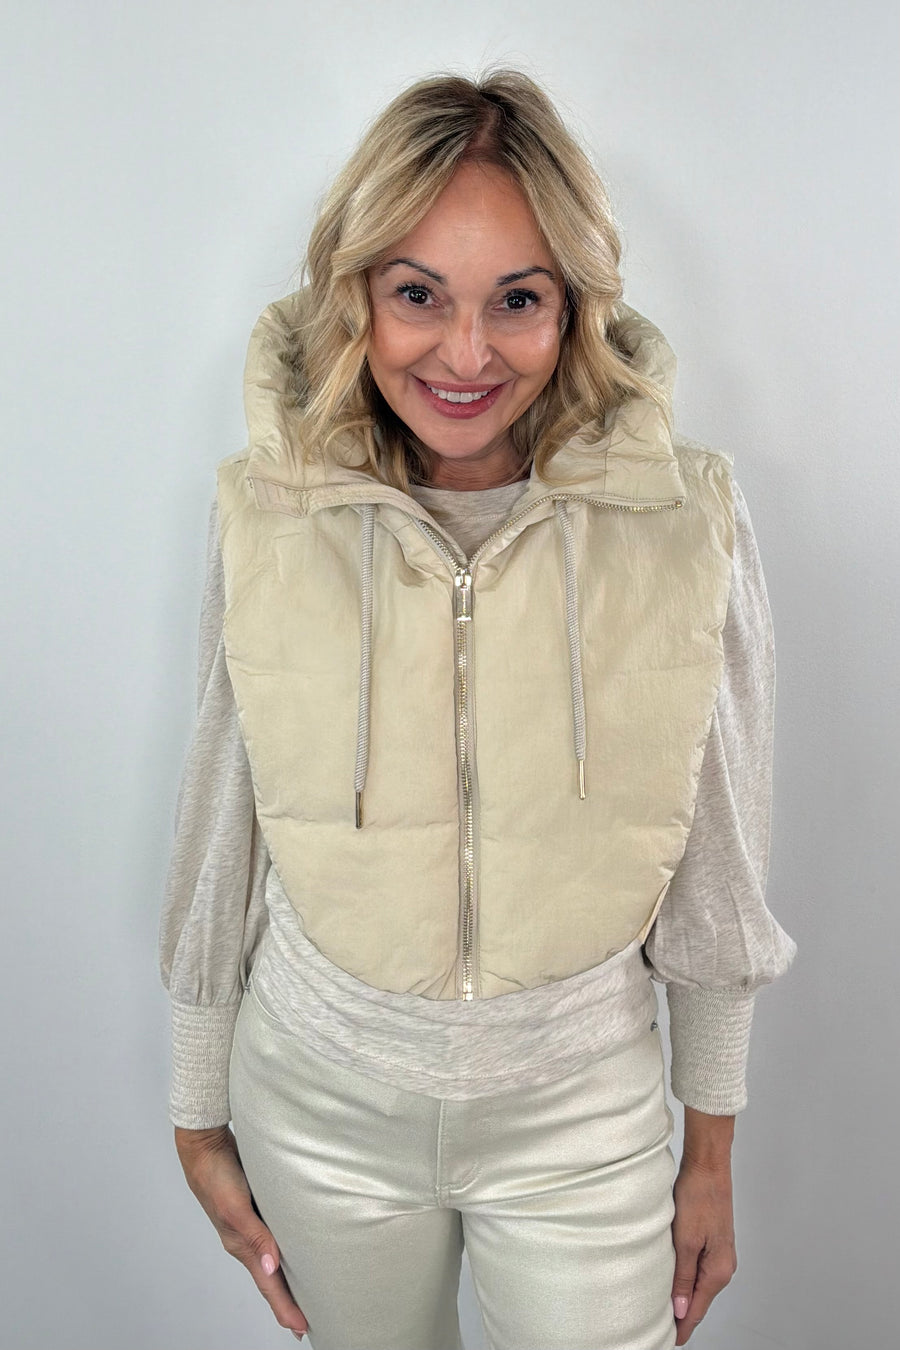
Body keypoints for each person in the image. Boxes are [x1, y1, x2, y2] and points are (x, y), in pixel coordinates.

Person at [159, 69, 797, 1350]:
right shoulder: (267, 515)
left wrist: (712, 1137)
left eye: (518, 299)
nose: (465, 354)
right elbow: (224, 807)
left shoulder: (684, 521)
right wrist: (196, 1099)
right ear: (358, 300)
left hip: (582, 1112)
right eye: (418, 297)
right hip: (317, 1098)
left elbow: (721, 845)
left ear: (574, 308)